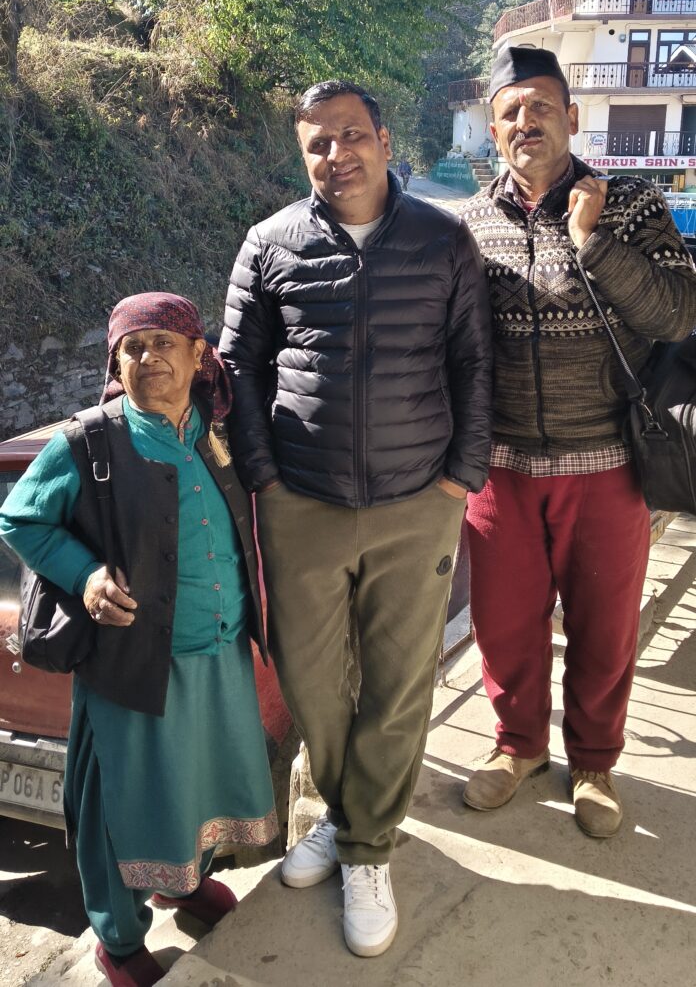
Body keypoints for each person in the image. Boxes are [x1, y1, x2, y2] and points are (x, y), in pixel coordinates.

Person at [219, 79, 491, 958]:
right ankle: (346, 816)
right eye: (317, 144)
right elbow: (238, 366)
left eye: (351, 134)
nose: (337, 154)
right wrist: (264, 475)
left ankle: (367, 848)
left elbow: (472, 361)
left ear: (384, 139)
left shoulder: (442, 240)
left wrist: (461, 476)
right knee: (309, 678)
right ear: (303, 157)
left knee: (400, 679)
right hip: (302, 498)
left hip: (418, 498)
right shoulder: (271, 243)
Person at [0, 293, 278, 987]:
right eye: (132, 347)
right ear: (115, 362)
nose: (148, 357)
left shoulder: (214, 431)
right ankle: (118, 940)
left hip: (219, 654)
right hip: (133, 664)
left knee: (201, 781)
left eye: (163, 343)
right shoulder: (89, 442)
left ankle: (183, 883)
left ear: (197, 355)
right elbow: (20, 519)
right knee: (123, 805)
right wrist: (86, 574)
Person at [462, 47, 696, 837]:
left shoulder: (629, 203)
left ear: (570, 115)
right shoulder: (471, 223)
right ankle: (518, 745)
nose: (526, 121)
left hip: (609, 459)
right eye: (510, 111)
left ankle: (594, 762)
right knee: (503, 622)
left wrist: (593, 240)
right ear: (494, 128)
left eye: (540, 106)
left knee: (604, 625)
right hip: (501, 464)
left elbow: (678, 312)